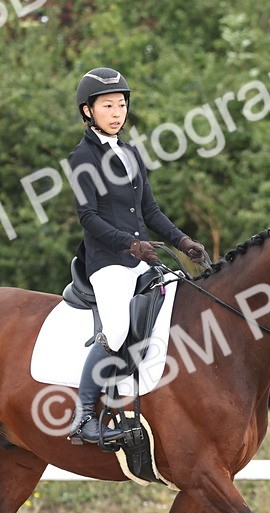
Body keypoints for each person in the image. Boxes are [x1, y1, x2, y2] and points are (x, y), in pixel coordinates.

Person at [67, 67, 206, 444]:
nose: (117, 113)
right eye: (107, 106)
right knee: (115, 330)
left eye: (121, 105)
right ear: (88, 111)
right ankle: (83, 417)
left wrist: (183, 242)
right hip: (107, 262)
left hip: (144, 259)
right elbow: (88, 217)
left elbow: (150, 211)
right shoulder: (82, 157)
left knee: (183, 304)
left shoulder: (130, 153)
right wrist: (129, 245)